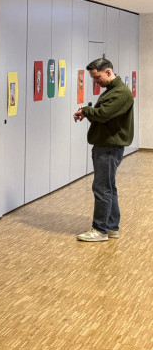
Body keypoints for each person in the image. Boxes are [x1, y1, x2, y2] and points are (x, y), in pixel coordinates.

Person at [72, 58, 134, 242]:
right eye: (93, 78)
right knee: (109, 188)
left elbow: (103, 114)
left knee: (102, 188)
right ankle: (112, 227)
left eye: (97, 77)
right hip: (105, 146)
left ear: (108, 72)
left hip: (109, 148)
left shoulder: (120, 93)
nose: (96, 81)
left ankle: (100, 230)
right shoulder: (112, 91)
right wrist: (88, 112)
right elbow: (104, 115)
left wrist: (86, 111)